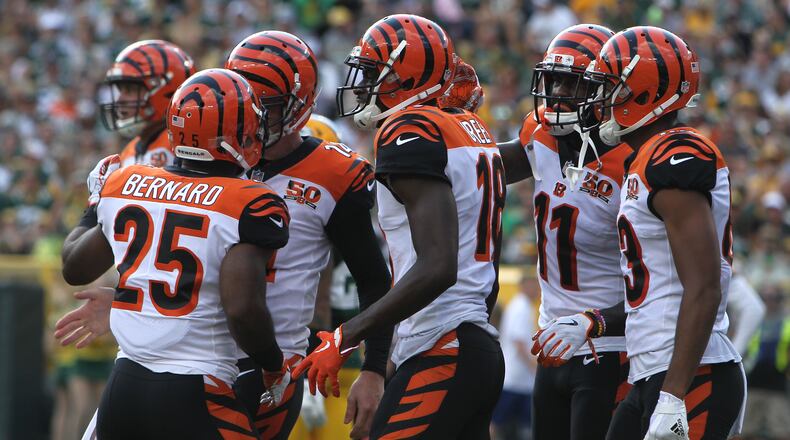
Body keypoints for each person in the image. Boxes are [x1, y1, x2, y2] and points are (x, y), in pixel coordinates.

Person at [294, 14, 505, 439]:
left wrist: (345, 335)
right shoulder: (469, 128)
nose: (364, 84)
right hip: (462, 342)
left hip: (445, 346)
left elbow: (439, 266)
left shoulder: (411, 128)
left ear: (404, 78)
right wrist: (388, 363)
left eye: (373, 73)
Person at [538, 26, 746, 440]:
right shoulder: (642, 158)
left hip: (692, 374)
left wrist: (672, 396)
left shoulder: (674, 154)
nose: (599, 99)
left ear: (644, 94)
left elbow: (705, 285)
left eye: (609, 87)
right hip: (652, 369)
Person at [60, 68, 289, 439]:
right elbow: (243, 310)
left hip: (124, 384)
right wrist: (274, 364)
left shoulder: (125, 182)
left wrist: (94, 204)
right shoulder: (250, 201)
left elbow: (74, 267)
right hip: (196, 387)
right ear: (235, 133)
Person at [497, 24, 632, 440]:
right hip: (551, 342)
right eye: (551, 80)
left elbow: (659, 281)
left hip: (610, 346)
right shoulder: (540, 136)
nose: (555, 94)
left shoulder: (633, 162)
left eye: (569, 83)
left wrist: (597, 322)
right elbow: (482, 168)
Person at [98, 39, 196, 167]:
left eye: (130, 90)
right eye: (120, 90)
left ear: (166, 90)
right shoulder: (130, 150)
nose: (119, 99)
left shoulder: (184, 145)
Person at [491, 273, 540, 440]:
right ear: (526, 285)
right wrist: (535, 369)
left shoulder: (522, 306)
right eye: (536, 284)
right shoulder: (521, 307)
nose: (539, 290)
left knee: (515, 424)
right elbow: (519, 344)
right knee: (498, 422)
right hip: (514, 378)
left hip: (519, 379)